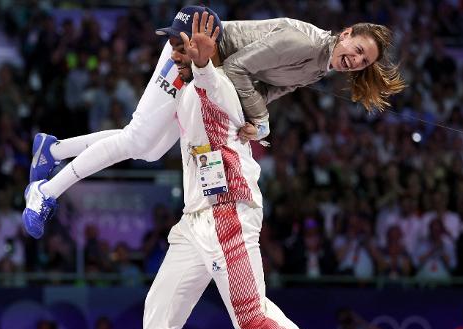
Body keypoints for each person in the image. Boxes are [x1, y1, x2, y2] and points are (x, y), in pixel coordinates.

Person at [83, 9, 368, 329]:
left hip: (227, 212)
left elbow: (212, 74)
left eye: (181, 44)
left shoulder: (216, 81)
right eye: (174, 43)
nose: (173, 51)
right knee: (160, 312)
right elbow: (140, 137)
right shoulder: (185, 85)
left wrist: (203, 60)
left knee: (251, 316)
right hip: (196, 216)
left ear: (205, 47)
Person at [22, 6, 405, 239]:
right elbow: (239, 67)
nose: (355, 60)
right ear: (347, 33)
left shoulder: (321, 65)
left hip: (208, 74)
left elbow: (266, 89)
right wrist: (258, 116)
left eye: (363, 60)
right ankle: (45, 192)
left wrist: (256, 120)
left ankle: (52, 149)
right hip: (192, 50)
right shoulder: (304, 42)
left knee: (151, 149)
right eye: (356, 49)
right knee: (139, 139)